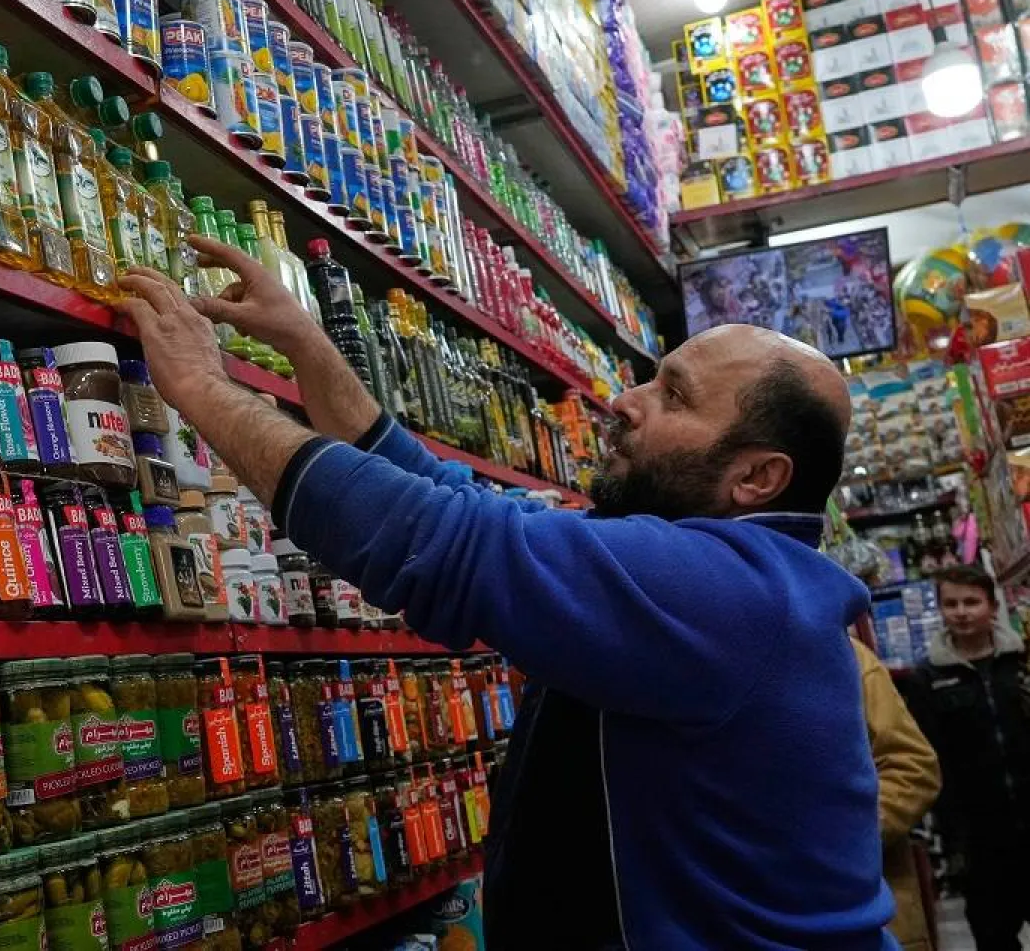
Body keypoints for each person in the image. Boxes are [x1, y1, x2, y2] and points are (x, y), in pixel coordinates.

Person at [117, 238, 897, 948]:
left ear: (755, 477)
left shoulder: (724, 593)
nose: (626, 400)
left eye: (674, 396)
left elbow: (440, 540)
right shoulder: (730, 571)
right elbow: (450, 498)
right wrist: (306, 344)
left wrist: (201, 388)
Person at [904, 565, 1030, 950]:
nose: (961, 611)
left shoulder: (1021, 664)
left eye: (971, 602)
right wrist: (952, 834)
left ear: (992, 607)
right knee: (994, 934)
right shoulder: (926, 679)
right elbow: (930, 758)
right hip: (979, 836)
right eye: (951, 603)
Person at [852, 637, 941, 951]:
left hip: (869, 904)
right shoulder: (702, 670)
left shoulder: (848, 658)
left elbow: (912, 767)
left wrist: (847, 836)